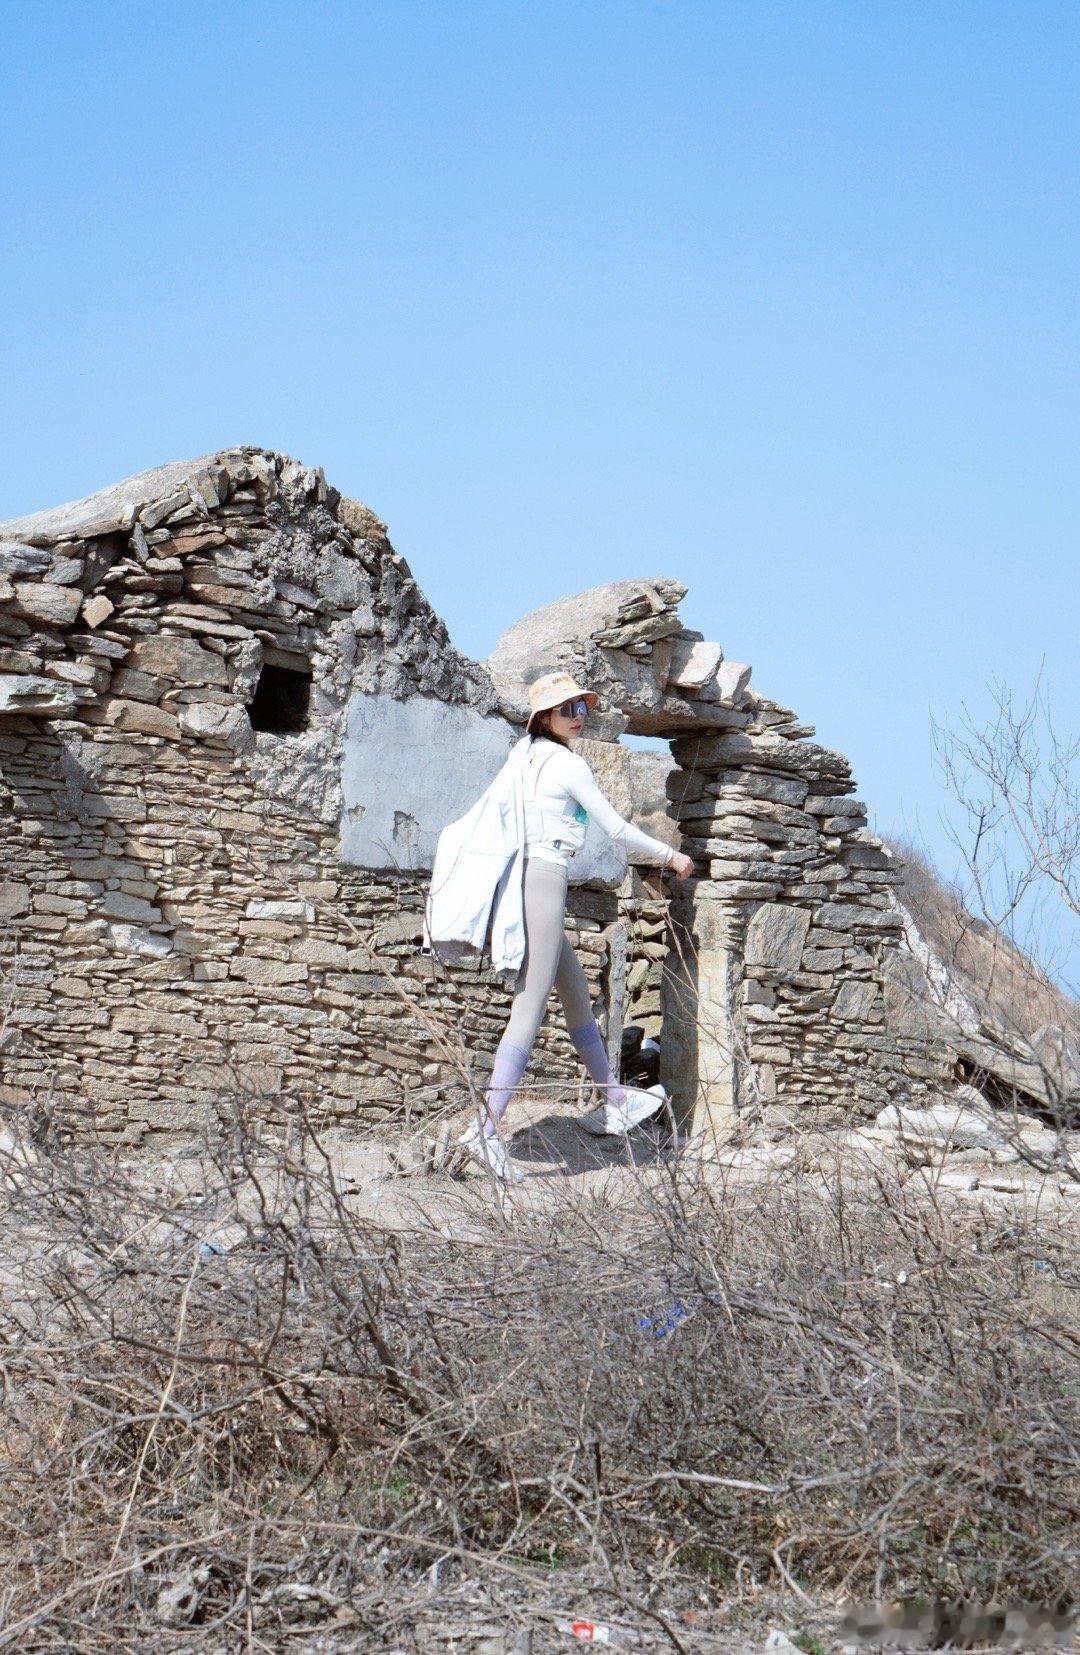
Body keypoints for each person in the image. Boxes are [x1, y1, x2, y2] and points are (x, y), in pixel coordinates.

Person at [458, 670, 694, 1182]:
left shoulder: (522, 756)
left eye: (583, 707)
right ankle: (484, 1130)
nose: (579, 717)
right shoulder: (567, 764)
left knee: (576, 997)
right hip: (542, 882)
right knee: (529, 1007)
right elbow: (615, 828)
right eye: (568, 709)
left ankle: (613, 1101)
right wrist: (670, 854)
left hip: (525, 881)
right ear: (545, 716)